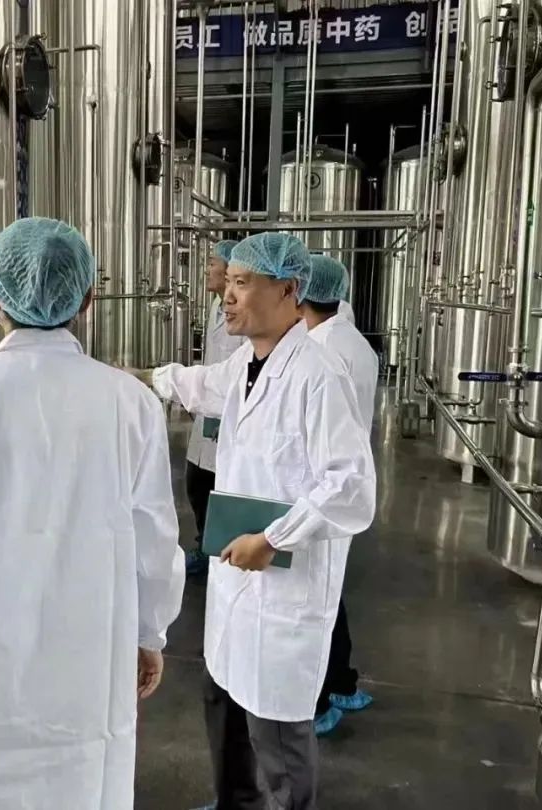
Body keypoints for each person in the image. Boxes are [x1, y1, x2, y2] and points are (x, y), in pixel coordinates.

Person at [0, 217, 185, 810]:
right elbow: (154, 537)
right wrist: (149, 633)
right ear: (88, 299)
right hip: (90, 660)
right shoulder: (132, 403)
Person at [143, 233, 376, 810]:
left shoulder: (320, 375)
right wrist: (136, 377)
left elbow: (351, 487)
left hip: (281, 589)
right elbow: (199, 385)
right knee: (222, 702)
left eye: (242, 283)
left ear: (289, 290)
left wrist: (273, 539)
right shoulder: (247, 362)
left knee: (277, 735)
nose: (227, 294)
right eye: (229, 281)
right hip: (235, 583)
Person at [299, 253, 380, 738]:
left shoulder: (318, 351)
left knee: (316, 601)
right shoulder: (357, 343)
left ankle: (321, 699)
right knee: (330, 593)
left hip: (321, 491)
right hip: (344, 487)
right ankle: (344, 684)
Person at [184, 239, 246, 577]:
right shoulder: (215, 306)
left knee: (222, 487)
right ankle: (204, 546)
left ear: (229, 270)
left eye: (212, 263)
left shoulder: (242, 312)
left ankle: (218, 554)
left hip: (229, 413)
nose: (206, 269)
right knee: (196, 483)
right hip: (208, 409)